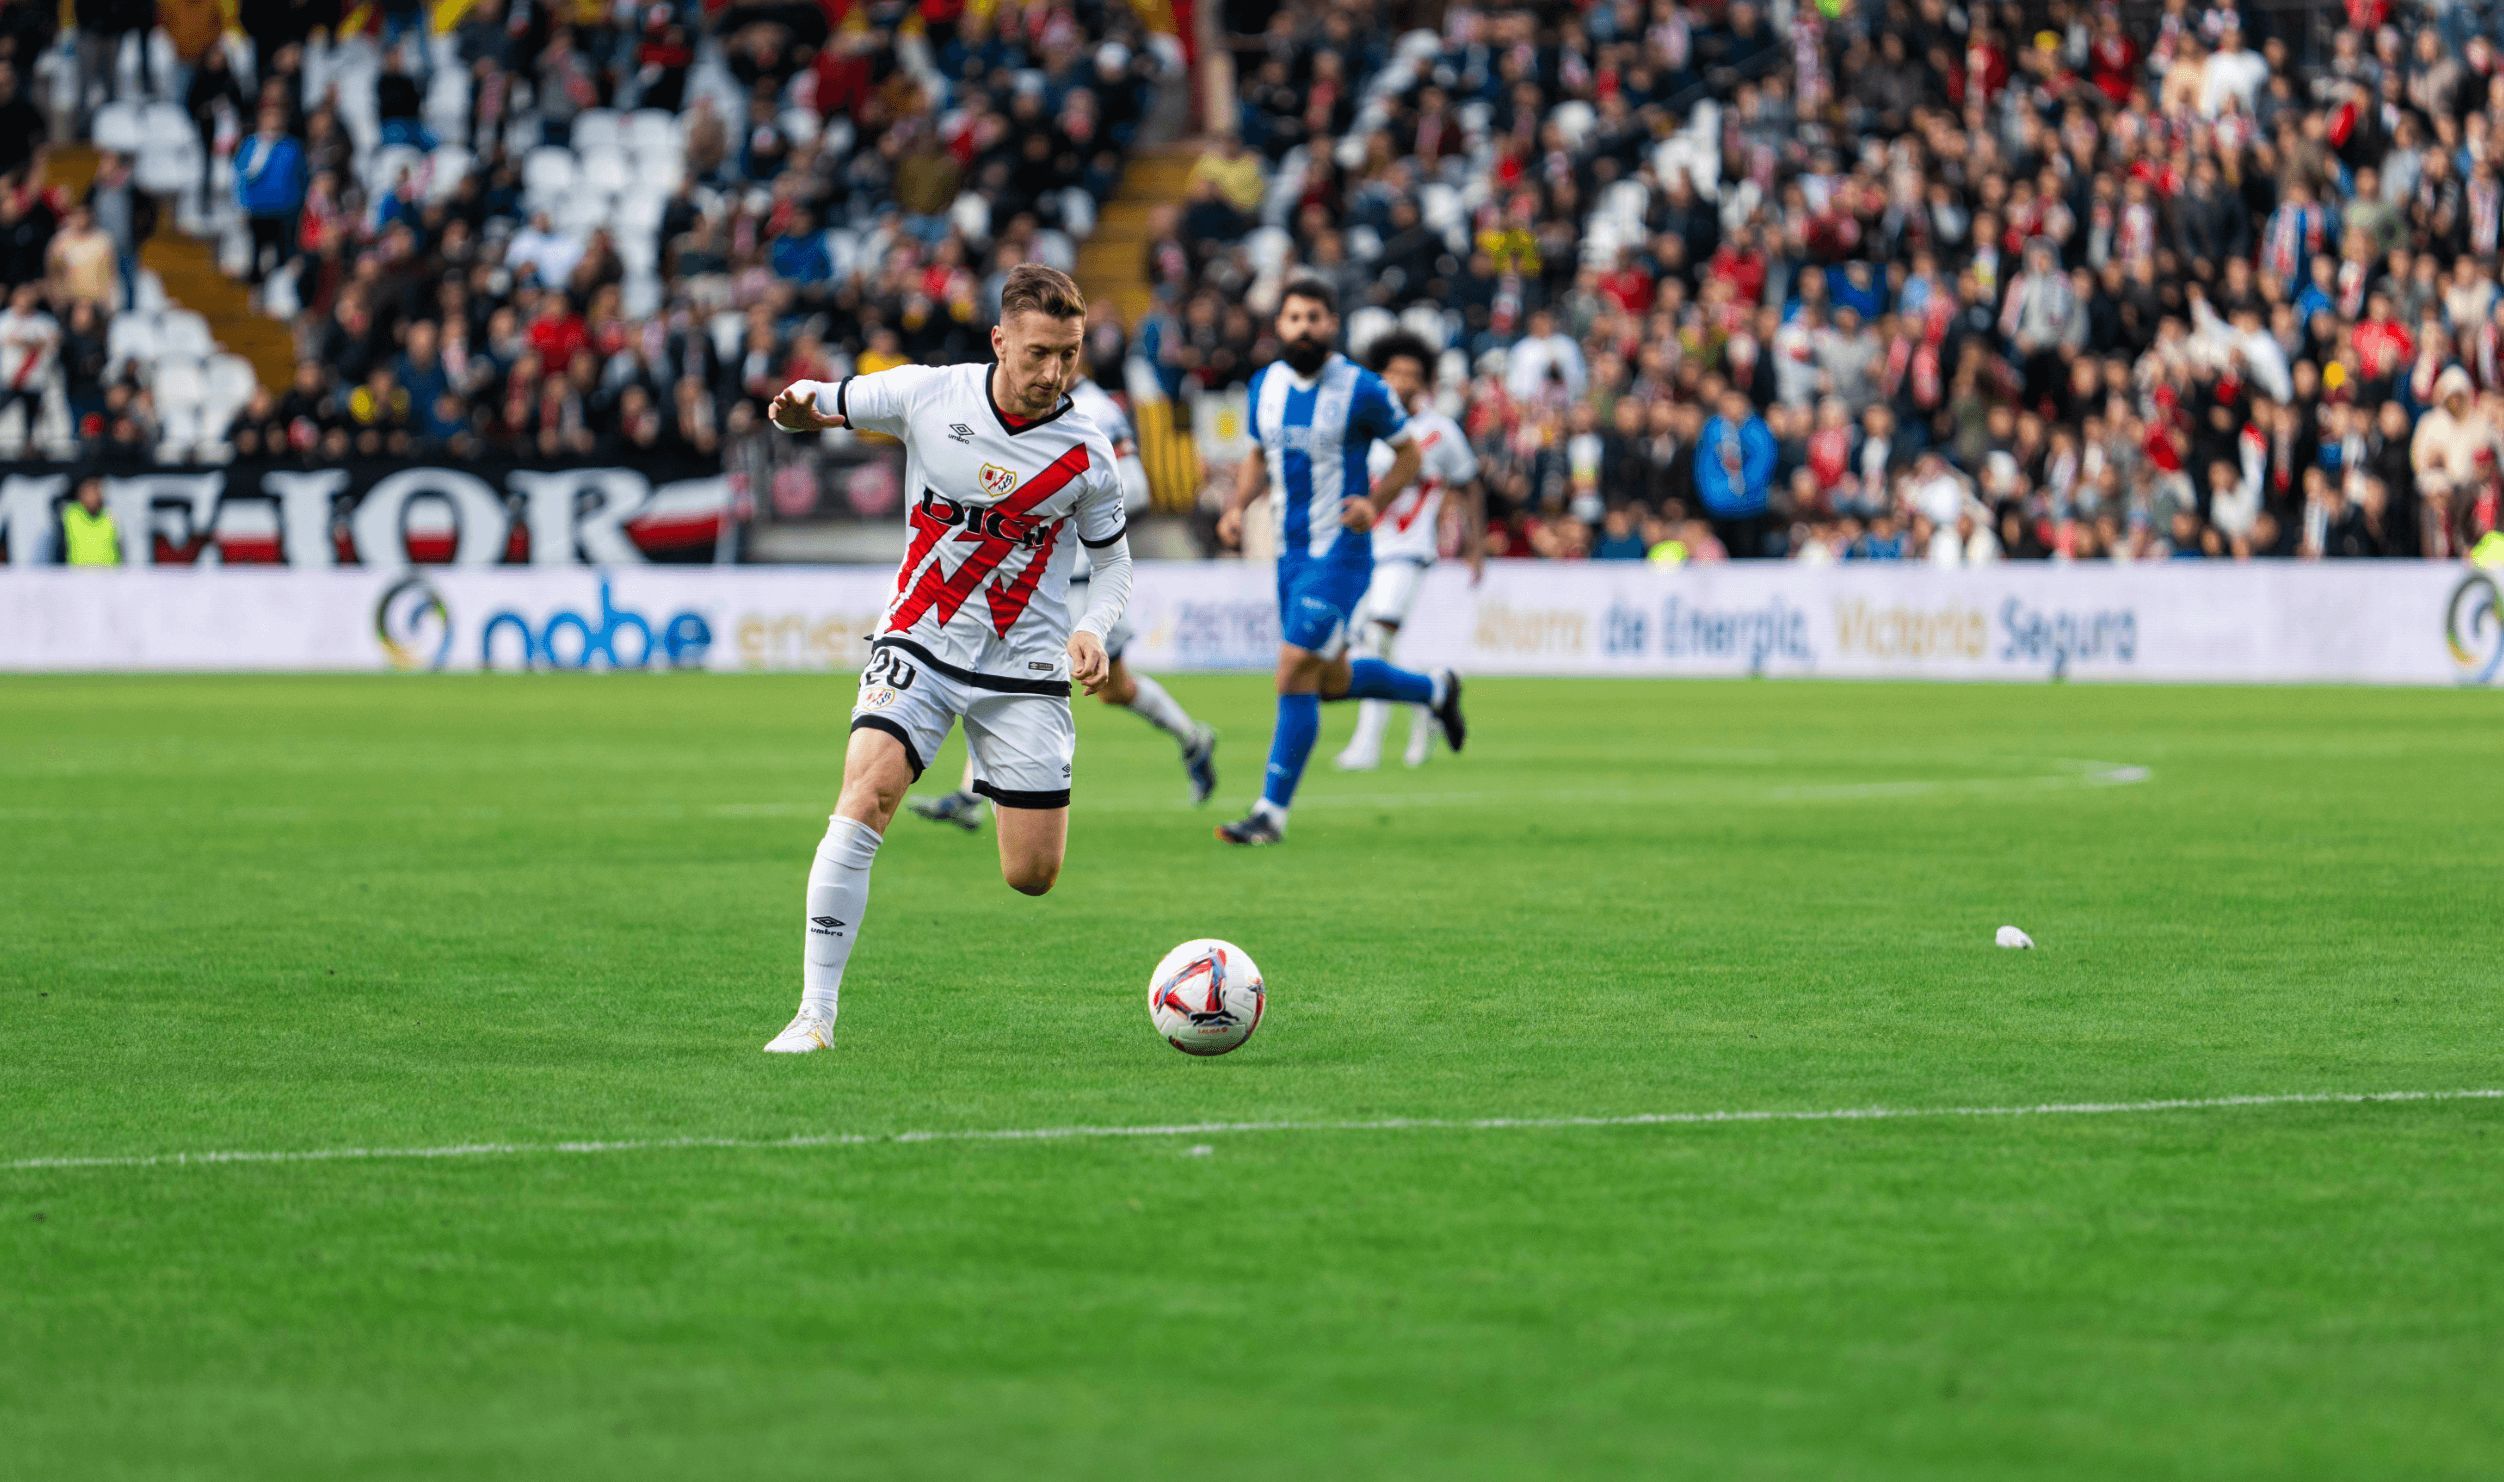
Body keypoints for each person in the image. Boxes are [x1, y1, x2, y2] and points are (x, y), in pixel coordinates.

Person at [755, 264, 1133, 1055]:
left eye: (1069, 354)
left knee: (1032, 875)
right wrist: (796, 410)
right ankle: (814, 1014)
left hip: (1023, 667)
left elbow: (1114, 567)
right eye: (1038, 354)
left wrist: (1093, 629)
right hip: (919, 639)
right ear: (1000, 341)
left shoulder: (1090, 455)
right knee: (868, 792)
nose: (1054, 372)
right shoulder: (928, 394)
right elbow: (820, 404)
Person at [1211, 278, 1466, 847]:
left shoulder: (1362, 388)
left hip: (1341, 555)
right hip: (1288, 553)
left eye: (1316, 317)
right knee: (1326, 682)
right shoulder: (1265, 386)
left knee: (1292, 666)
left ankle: (1270, 813)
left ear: (1333, 325)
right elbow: (1257, 453)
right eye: (1294, 317)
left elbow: (1409, 454)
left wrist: (1374, 505)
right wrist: (1237, 506)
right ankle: (1435, 690)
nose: (1304, 327)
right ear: (1280, 325)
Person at [911, 372, 1217, 831]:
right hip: (1028, 572)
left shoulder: (1097, 410)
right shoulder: (1011, 403)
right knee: (1005, 672)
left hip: (1081, 578)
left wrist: (1061, 492)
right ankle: (973, 794)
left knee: (1109, 687)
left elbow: (1135, 486)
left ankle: (1192, 739)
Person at [1336, 330, 1484, 772]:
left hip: (1409, 549)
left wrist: (1475, 547)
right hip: (1362, 551)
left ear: (1424, 382)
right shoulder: (1362, 425)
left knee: (1376, 638)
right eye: (1394, 371)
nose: (1402, 380)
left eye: (1411, 374)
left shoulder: (1438, 432)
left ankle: (1367, 744)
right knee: (1359, 643)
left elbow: (1469, 483)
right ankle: (1429, 693)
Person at [57, 475, 119, 565]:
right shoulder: (69, 514)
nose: (91, 496)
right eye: (87, 492)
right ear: (80, 493)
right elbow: (61, 548)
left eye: (95, 491)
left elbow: (119, 546)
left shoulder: (110, 514)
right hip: (77, 574)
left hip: (109, 574)